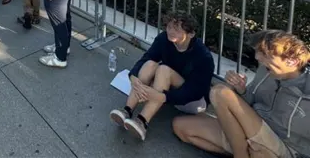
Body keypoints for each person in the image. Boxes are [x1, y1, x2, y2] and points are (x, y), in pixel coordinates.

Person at [173, 30, 310, 158]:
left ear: (292, 61)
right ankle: (245, 152)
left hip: (284, 147)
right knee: (181, 127)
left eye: (265, 54)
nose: (257, 57)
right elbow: (249, 102)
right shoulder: (265, 70)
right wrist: (241, 90)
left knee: (220, 92)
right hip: (249, 130)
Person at [109, 11, 214, 142]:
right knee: (150, 64)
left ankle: (142, 121)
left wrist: (164, 97)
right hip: (168, 90)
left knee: (164, 69)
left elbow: (195, 91)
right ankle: (127, 110)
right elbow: (147, 58)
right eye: (169, 27)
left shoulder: (203, 56)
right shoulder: (164, 38)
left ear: (191, 34)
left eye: (176, 29)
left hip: (192, 101)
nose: (170, 31)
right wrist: (133, 77)